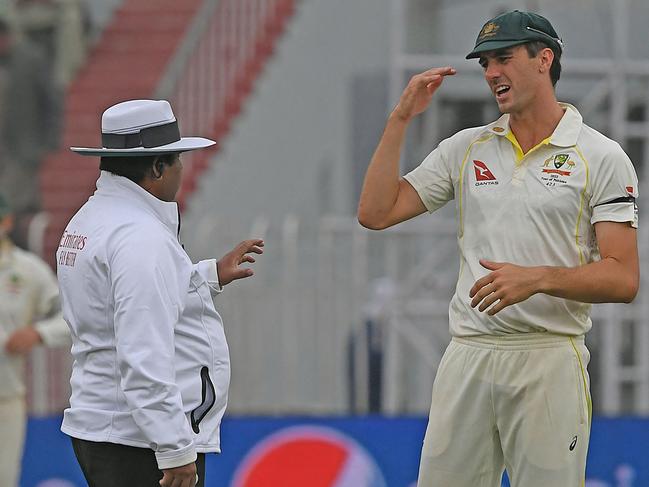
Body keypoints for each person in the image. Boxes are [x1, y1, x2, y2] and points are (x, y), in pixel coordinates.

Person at [358, 10, 639, 487]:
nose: (491, 74)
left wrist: (537, 278)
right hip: (468, 353)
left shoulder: (601, 156)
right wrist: (400, 117)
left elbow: (623, 278)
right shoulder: (467, 148)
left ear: (544, 59)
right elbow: (376, 212)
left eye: (503, 59)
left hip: (548, 356)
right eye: (485, 63)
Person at [58, 99, 264, 487]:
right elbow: (143, 352)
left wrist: (208, 276)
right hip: (139, 439)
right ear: (157, 167)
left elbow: (119, 307)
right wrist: (174, 448)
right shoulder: (140, 237)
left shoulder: (91, 218)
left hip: (109, 424)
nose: (181, 171)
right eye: (177, 160)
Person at [0, 192, 70, 487]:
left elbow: (72, 317)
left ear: (6, 222)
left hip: (5, 397)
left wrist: (38, 333)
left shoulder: (26, 270)